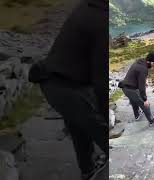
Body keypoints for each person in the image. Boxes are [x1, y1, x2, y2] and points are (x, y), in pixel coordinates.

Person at [28, 0, 107, 180]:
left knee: (80, 127)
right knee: (104, 134)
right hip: (66, 87)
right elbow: (100, 80)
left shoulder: (89, 6)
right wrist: (106, 115)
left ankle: (88, 170)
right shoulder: (102, 20)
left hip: (53, 81)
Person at [118, 51, 154, 126]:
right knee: (145, 105)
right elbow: (141, 87)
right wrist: (145, 99)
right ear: (148, 61)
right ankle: (151, 121)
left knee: (134, 101)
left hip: (125, 87)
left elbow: (137, 76)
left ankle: (137, 115)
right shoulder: (143, 69)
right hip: (130, 89)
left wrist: (142, 81)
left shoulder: (140, 62)